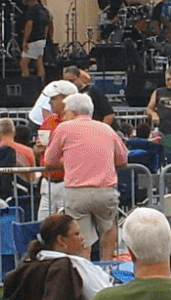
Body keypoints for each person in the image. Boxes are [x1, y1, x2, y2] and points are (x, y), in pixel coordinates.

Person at [41, 92, 127, 260]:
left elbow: (48, 161)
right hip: (105, 190)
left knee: (81, 238)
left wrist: (69, 161)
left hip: (77, 191)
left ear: (73, 113)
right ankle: (107, 266)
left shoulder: (63, 128)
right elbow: (123, 160)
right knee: (109, 229)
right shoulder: (106, 128)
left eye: (65, 111)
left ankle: (85, 271)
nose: (62, 115)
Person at [19, 0, 53, 78]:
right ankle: (41, 83)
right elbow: (47, 26)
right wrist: (45, 39)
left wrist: (25, 40)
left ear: (30, 0)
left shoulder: (32, 9)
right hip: (41, 39)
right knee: (39, 62)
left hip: (33, 40)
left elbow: (29, 25)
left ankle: (26, 82)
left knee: (23, 63)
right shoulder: (44, 10)